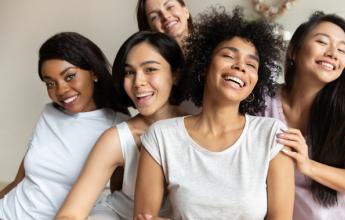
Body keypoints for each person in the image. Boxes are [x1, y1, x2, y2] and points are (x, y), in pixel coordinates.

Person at [134, 7, 294, 220]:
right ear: (204, 66)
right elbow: (143, 217)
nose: (240, 67)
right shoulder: (161, 136)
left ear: (256, 81)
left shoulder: (272, 135)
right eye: (228, 55)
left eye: (251, 64)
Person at [260, 11, 345, 219]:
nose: (333, 53)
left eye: (342, 50)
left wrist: (308, 165)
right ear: (294, 51)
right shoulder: (264, 100)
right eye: (322, 42)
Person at [55, 31, 185, 220]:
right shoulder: (118, 137)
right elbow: (69, 214)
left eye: (150, 69)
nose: (138, 82)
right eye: (129, 72)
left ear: (175, 76)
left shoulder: (199, 129)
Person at [0, 32, 128, 220]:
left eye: (69, 77)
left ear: (93, 72)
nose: (60, 90)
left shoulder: (117, 126)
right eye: (50, 83)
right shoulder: (49, 113)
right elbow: (20, 180)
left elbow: (118, 200)